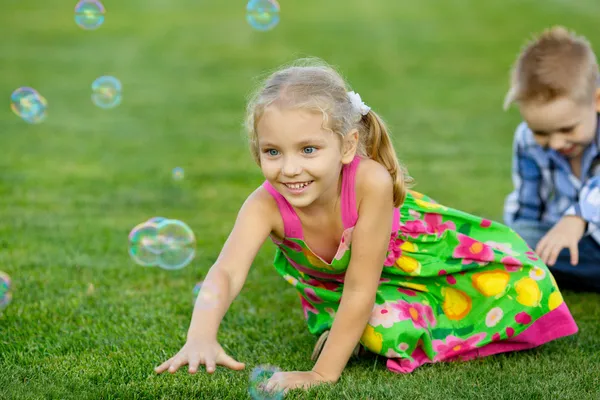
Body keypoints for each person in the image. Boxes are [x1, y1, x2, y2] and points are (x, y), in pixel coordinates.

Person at [155, 59, 578, 393]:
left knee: (524, 282)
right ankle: (353, 332)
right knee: (384, 329)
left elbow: (362, 286)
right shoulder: (264, 205)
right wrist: (200, 336)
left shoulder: (370, 182)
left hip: (421, 262)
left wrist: (321, 375)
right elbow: (226, 271)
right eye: (272, 151)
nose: (289, 168)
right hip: (349, 292)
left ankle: (382, 325)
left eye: (308, 149)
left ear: (347, 146)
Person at [503, 26, 600, 292]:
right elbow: (528, 209)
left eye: (568, 129)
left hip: (590, 235)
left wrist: (578, 217)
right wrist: (517, 242)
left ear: (597, 101)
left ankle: (542, 265)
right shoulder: (526, 139)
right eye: (541, 132)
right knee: (514, 241)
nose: (556, 143)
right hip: (563, 237)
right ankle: (520, 261)